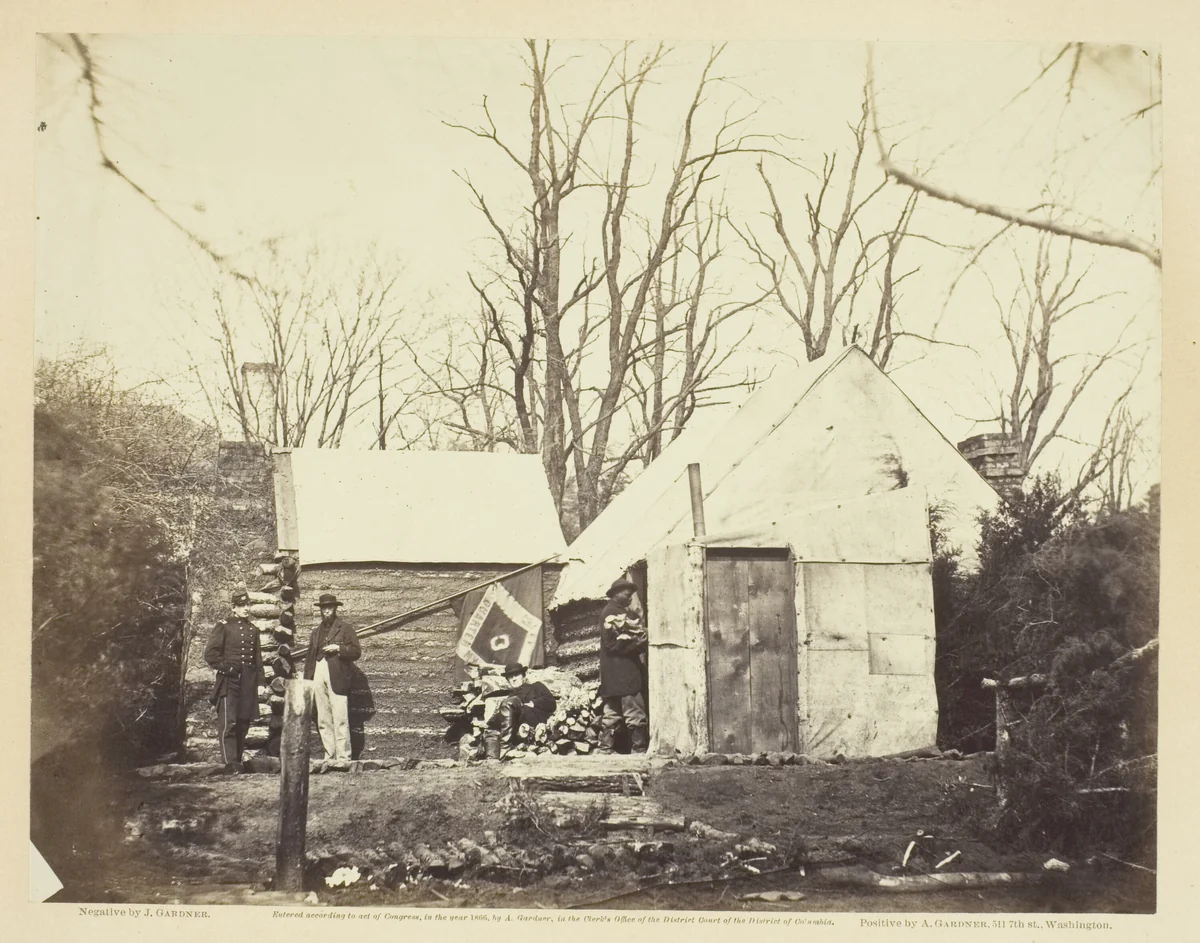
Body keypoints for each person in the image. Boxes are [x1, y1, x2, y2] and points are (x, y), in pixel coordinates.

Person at [204, 589, 266, 773]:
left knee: (243, 722)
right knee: (229, 722)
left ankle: (237, 762)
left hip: (249, 680)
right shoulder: (224, 626)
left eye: (248, 605)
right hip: (229, 680)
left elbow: (258, 659)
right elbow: (210, 654)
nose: (246, 609)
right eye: (241, 605)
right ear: (233, 607)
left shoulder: (253, 630)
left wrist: (261, 683)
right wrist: (228, 669)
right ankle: (229, 764)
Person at [302, 593, 361, 771]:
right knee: (323, 718)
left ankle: (343, 757)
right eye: (324, 608)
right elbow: (310, 658)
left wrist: (339, 648)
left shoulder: (345, 628)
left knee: (340, 717)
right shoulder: (316, 632)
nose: (327, 610)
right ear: (320, 610)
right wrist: (308, 680)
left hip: (337, 673)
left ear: (335, 608)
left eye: (330, 607)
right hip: (319, 671)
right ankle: (330, 755)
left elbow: (356, 651)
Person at [597, 578, 649, 754]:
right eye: (627, 595)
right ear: (616, 594)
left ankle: (605, 749)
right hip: (624, 673)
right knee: (634, 712)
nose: (629, 599)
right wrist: (638, 644)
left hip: (612, 675)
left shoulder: (614, 611)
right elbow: (612, 645)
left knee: (611, 713)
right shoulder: (612, 614)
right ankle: (639, 749)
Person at [486, 664, 557, 754]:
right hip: (517, 729)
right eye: (510, 677)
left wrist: (533, 703)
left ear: (523, 675)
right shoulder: (510, 697)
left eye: (517, 675)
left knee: (509, 702)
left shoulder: (536, 687)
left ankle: (505, 746)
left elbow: (551, 703)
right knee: (491, 729)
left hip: (533, 723)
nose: (514, 679)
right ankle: (492, 759)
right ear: (508, 680)